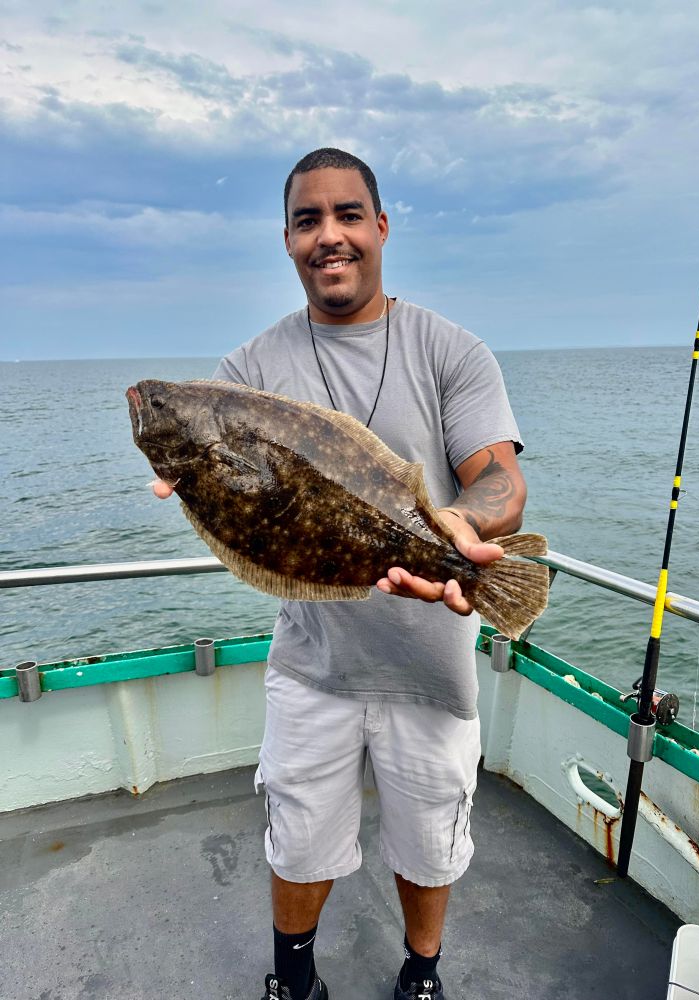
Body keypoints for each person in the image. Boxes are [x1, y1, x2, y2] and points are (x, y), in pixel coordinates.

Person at [155, 148, 526, 1000]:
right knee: (299, 835)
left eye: (348, 214)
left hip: (431, 660)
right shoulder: (247, 373)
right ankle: (294, 980)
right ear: (286, 241)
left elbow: (499, 476)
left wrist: (458, 528)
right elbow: (245, 509)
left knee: (429, 841)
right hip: (311, 663)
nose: (330, 235)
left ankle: (421, 975)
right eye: (307, 220)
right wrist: (194, 483)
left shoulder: (449, 350)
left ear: (381, 227)